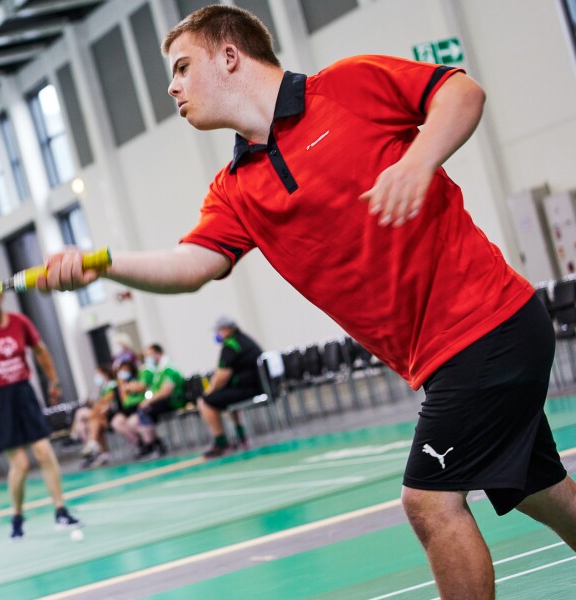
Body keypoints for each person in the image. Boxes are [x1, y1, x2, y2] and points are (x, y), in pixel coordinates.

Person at [36, 5, 576, 598]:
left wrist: (419, 161)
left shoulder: (347, 86)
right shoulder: (236, 188)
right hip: (448, 354)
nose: (173, 86)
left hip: (485, 324)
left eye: (184, 67)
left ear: (230, 56)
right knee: (539, 489)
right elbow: (194, 265)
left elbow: (462, 93)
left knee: (428, 502)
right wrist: (103, 263)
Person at [0, 278, 81, 538]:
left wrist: (53, 380)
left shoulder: (20, 323)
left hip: (23, 392)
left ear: (1, 297)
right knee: (19, 463)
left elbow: (40, 351)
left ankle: (61, 511)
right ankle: (17, 517)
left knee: (43, 451)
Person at [200, 316, 263, 458]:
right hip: (256, 386)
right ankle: (241, 437)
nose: (217, 334)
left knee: (206, 402)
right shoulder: (245, 340)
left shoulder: (230, 345)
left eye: (219, 331)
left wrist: (210, 390)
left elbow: (222, 375)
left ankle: (221, 443)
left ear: (228, 329)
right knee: (224, 401)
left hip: (247, 389)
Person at [135, 344, 184, 459]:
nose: (148, 358)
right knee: (141, 412)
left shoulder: (168, 368)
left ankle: (152, 445)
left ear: (158, 353)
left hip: (173, 401)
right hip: (163, 401)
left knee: (145, 410)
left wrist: (148, 401)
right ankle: (154, 443)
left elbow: (165, 391)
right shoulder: (159, 370)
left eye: (150, 355)